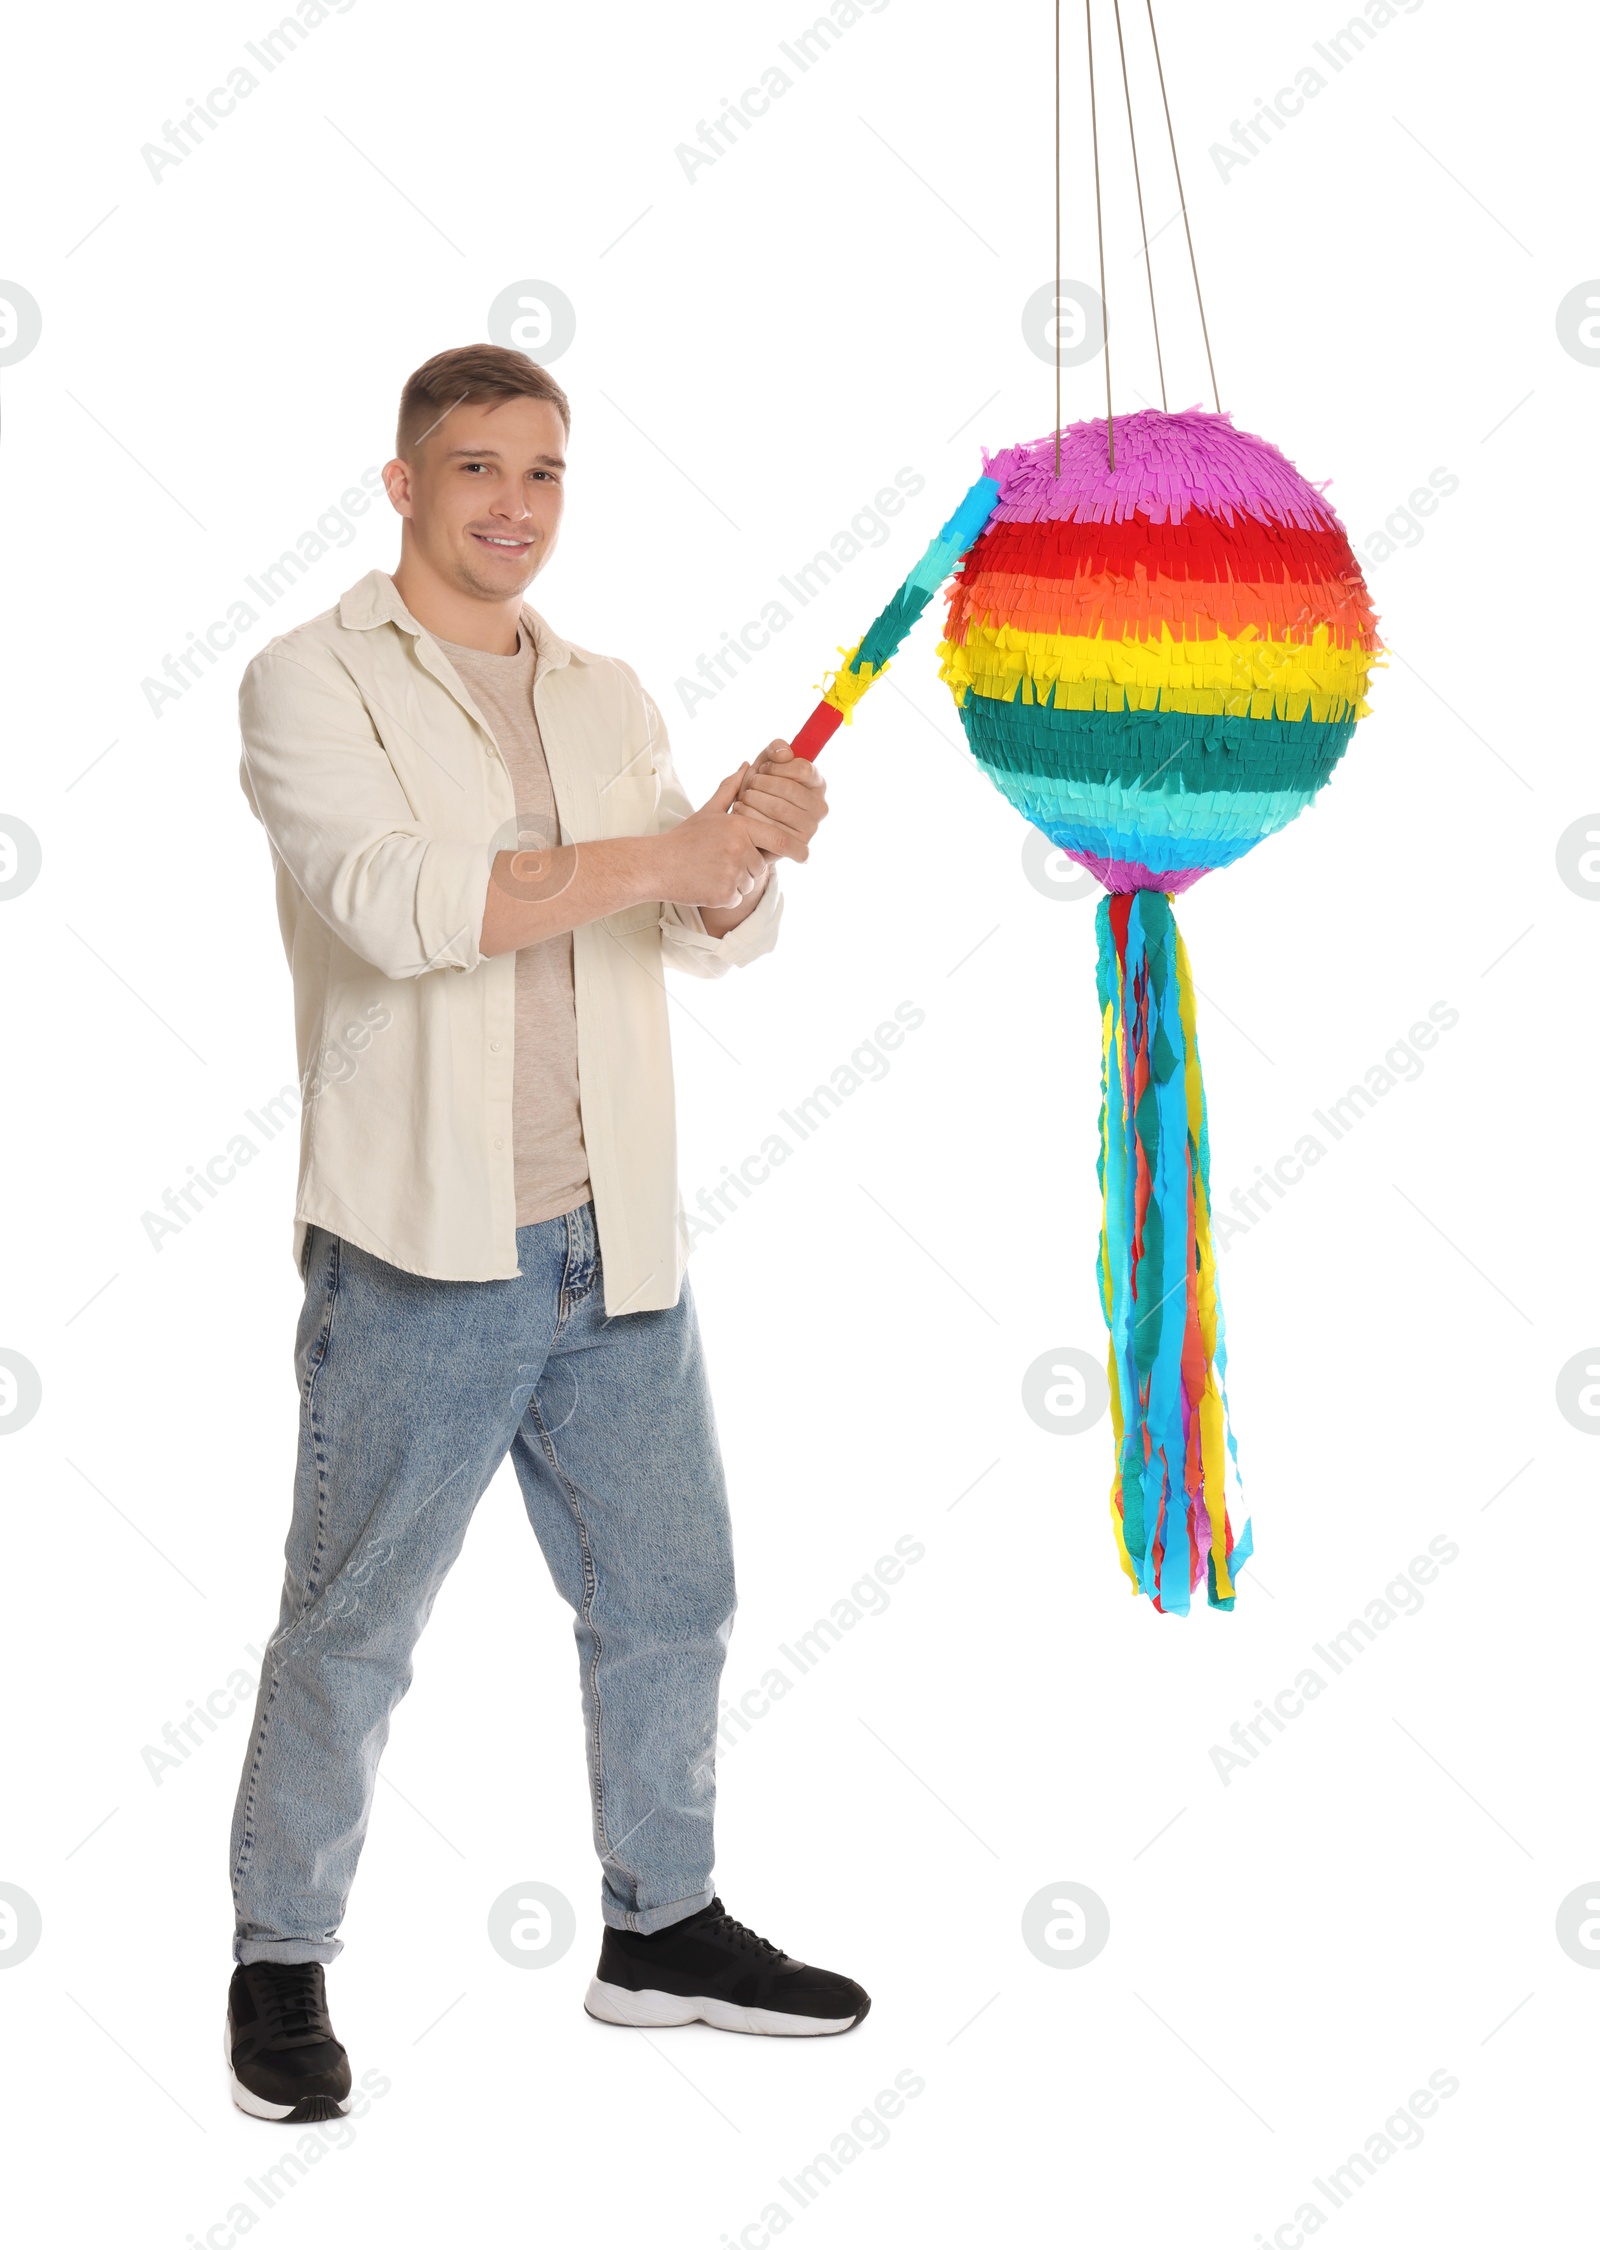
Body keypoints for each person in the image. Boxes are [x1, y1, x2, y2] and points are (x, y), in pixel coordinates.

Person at [224, 343, 868, 2124]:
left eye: (546, 472)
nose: (514, 505)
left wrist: (741, 852)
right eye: (478, 469)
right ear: (404, 484)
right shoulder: (309, 680)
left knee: (676, 1594)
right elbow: (405, 904)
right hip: (423, 1253)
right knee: (353, 1628)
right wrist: (668, 856)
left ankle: (661, 1926)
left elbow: (696, 932)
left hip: (613, 1241)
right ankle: (278, 1962)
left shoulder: (604, 692)